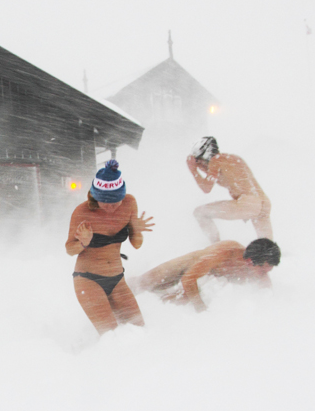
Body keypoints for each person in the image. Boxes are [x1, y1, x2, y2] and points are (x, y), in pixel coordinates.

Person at [66, 160, 154, 334]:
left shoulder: (129, 203)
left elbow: (136, 244)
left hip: (117, 280)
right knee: (111, 335)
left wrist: (136, 228)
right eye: (105, 203)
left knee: (139, 331)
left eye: (115, 202)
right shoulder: (82, 212)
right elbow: (69, 249)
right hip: (88, 280)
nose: (111, 208)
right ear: (95, 196)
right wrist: (83, 242)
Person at [129, 238, 281, 312]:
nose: (264, 276)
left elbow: (266, 293)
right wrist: (201, 309)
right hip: (184, 267)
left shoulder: (258, 270)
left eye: (268, 272)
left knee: (183, 298)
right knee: (139, 285)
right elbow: (188, 278)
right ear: (249, 261)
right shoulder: (225, 253)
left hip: (200, 277)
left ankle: (155, 311)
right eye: (263, 271)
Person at [187, 136, 273, 243]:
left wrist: (193, 170)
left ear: (205, 153)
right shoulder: (232, 159)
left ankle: (216, 247)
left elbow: (206, 188)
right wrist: (199, 166)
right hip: (263, 203)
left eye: (200, 160)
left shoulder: (215, 160)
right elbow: (219, 176)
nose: (200, 163)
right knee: (268, 247)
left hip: (247, 203)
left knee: (199, 213)